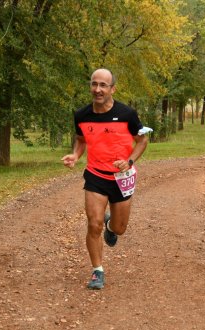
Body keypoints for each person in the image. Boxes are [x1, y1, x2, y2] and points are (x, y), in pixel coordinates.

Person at [62, 68, 148, 290]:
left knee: (119, 228)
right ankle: (97, 270)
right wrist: (75, 154)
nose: (97, 89)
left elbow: (142, 141)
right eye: (94, 84)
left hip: (122, 177)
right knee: (93, 224)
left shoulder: (127, 114)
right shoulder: (81, 115)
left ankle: (112, 225)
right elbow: (81, 140)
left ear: (112, 89)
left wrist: (129, 162)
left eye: (103, 85)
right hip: (95, 176)